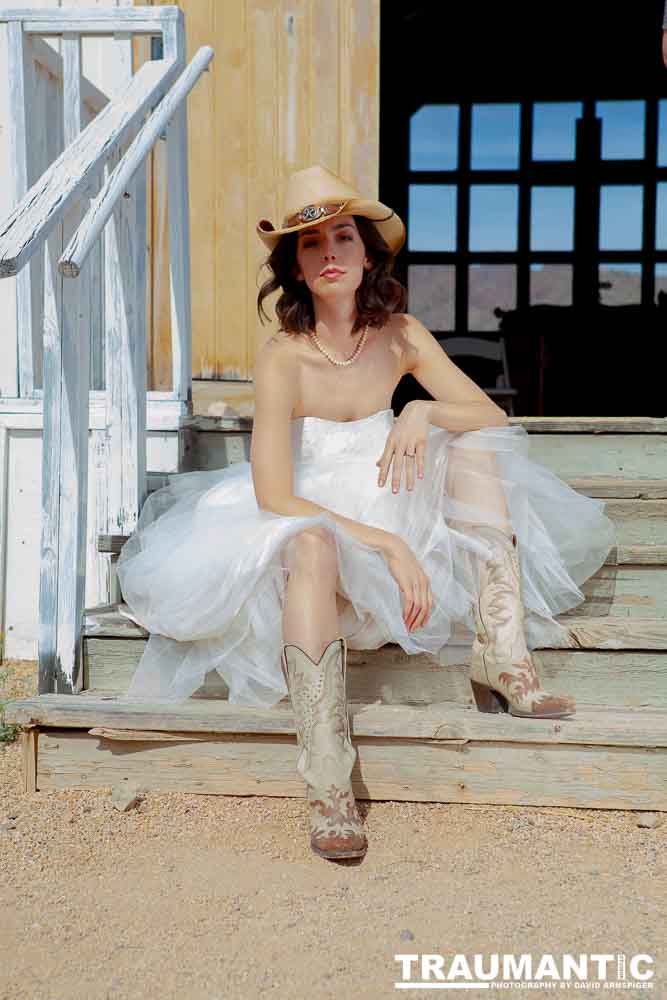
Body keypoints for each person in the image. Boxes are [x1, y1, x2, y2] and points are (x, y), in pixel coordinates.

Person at [116, 164, 616, 862]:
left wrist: (420, 408)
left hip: (394, 493)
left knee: (473, 446)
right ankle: (327, 783)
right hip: (317, 514)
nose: (329, 255)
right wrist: (385, 543)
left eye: (341, 237)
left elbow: (483, 411)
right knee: (312, 544)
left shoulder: (401, 333)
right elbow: (273, 497)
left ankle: (503, 658)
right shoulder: (282, 356)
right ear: (294, 265)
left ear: (366, 252)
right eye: (311, 243)